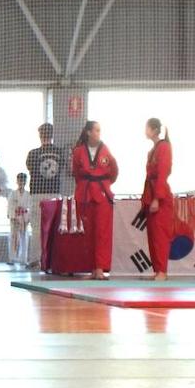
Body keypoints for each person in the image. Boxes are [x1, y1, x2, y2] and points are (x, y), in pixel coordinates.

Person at [71, 120, 118, 280]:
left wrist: (104, 184)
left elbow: (114, 170)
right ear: (89, 132)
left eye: (99, 130)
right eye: (96, 130)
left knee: (102, 232)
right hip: (85, 194)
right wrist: (85, 185)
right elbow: (76, 173)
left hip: (102, 194)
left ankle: (100, 268)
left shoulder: (105, 149)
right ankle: (93, 268)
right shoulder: (78, 151)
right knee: (89, 233)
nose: (99, 133)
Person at [141, 118, 174, 282]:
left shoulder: (164, 147)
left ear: (154, 130)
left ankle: (162, 271)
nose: (145, 131)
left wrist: (157, 199)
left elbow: (162, 174)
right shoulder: (152, 150)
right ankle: (157, 270)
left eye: (147, 128)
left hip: (160, 196)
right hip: (150, 194)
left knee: (160, 235)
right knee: (153, 235)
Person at [26, 122, 65, 197]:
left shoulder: (33, 153)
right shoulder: (59, 152)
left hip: (37, 192)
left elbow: (30, 169)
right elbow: (61, 168)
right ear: (52, 135)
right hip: (54, 191)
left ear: (40, 136)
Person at [7, 173, 34, 267]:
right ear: (17, 181)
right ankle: (12, 258)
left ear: (25, 182)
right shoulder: (13, 193)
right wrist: (13, 216)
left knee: (24, 238)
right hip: (15, 218)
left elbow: (30, 207)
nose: (21, 182)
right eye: (20, 180)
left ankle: (23, 259)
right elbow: (10, 206)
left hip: (24, 218)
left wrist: (27, 218)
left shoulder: (28, 194)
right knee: (13, 237)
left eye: (23, 180)